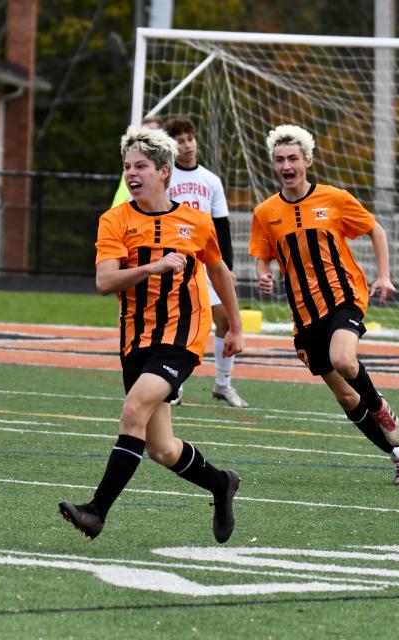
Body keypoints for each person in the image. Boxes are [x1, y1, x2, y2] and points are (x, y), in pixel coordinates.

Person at [59, 125, 245, 542]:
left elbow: (219, 271)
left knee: (131, 411)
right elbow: (106, 282)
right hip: (134, 338)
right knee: (161, 447)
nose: (131, 174)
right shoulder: (115, 220)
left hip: (181, 335)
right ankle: (220, 484)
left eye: (141, 166)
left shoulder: (195, 222)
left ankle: (96, 511)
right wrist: (152, 267)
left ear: (164, 171)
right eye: (127, 167)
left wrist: (234, 325)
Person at [249, 124, 399, 486]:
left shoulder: (334, 198)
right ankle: (398, 456)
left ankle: (380, 407)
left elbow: (376, 229)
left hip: (344, 297)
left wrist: (383, 276)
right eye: (280, 159)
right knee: (344, 395)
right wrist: (264, 274)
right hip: (304, 316)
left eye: (293, 157)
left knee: (344, 360)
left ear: (307, 160)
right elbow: (263, 254)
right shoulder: (265, 212)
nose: (286, 164)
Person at [164, 116, 247, 408]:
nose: (186, 145)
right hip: (177, 262)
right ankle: (174, 386)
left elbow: (222, 227)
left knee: (224, 317)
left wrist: (229, 269)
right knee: (181, 323)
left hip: (207, 261)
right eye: (179, 141)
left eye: (189, 139)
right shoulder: (166, 178)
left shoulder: (211, 180)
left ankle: (222, 385)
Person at [110, 115, 164, 208]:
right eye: (144, 132)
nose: (147, 136)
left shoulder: (169, 168)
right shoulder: (130, 168)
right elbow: (119, 202)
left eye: (152, 131)